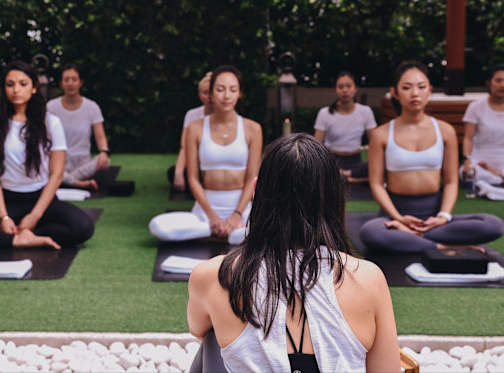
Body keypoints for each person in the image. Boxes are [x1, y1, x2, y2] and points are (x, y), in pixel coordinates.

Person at [187, 133, 400, 372]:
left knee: (212, 341)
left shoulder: (212, 274)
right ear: (335, 196)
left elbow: (197, 328)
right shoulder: (367, 278)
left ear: (256, 190)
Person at [0, 61, 94, 249]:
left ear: (34, 88)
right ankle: (15, 240)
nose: (16, 90)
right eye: (10, 84)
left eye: (23, 83)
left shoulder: (51, 123)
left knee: (83, 227)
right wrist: (3, 217)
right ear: (4, 89)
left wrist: (35, 216)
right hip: (7, 200)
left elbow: (57, 174)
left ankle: (31, 235)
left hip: (41, 200)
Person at [360, 61, 504, 253]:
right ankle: (441, 245)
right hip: (394, 215)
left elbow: (452, 181)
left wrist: (443, 216)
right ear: (395, 92)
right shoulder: (381, 134)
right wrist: (398, 218)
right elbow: (376, 183)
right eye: (407, 87)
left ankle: (412, 237)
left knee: (492, 224)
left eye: (421, 87)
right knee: (370, 232)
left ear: (430, 90)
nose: (415, 93)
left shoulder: (445, 131)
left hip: (434, 217)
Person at [149, 66, 262, 245]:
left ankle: (230, 232)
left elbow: (252, 178)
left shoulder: (253, 129)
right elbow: (193, 178)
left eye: (232, 90)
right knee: (158, 226)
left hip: (243, 210)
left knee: (269, 228)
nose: (226, 96)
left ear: (239, 93)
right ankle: (219, 232)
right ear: (210, 94)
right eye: (220, 89)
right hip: (205, 210)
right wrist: (213, 218)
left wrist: (235, 216)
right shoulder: (195, 128)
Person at [46, 64, 110, 190]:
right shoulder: (51, 107)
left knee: (105, 161)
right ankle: (78, 183)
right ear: (61, 83)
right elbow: (45, 137)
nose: (70, 83)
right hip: (59, 161)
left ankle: (63, 180)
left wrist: (104, 152)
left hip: (83, 163)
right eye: (66, 80)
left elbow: (100, 137)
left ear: (80, 83)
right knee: (43, 165)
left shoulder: (92, 107)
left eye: (74, 79)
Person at [314, 71, 376, 183]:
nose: (345, 90)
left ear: (355, 88)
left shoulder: (365, 111)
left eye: (349, 86)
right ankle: (352, 178)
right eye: (341, 87)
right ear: (335, 90)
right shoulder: (324, 113)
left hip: (356, 161)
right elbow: (316, 144)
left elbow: (375, 142)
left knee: (379, 165)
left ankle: (344, 176)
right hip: (333, 159)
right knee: (319, 169)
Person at [167, 71, 213, 191]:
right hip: (196, 163)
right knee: (173, 173)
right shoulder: (192, 115)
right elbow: (185, 146)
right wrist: (178, 172)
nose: (209, 97)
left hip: (215, 167)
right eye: (205, 93)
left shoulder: (233, 118)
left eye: (212, 92)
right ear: (200, 96)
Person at [460, 64, 504, 185]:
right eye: (498, 80)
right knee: (468, 173)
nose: (502, 85)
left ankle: (496, 178)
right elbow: (468, 139)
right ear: (489, 83)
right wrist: (467, 160)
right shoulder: (476, 107)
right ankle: (499, 180)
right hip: (480, 162)